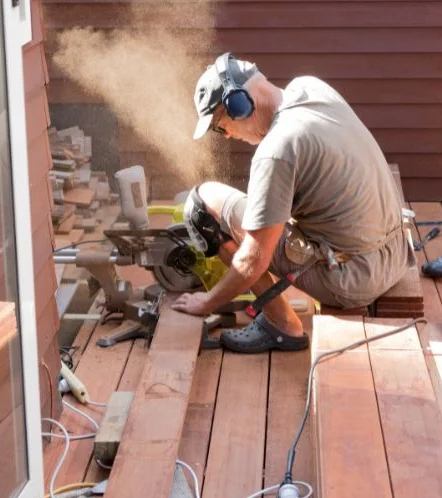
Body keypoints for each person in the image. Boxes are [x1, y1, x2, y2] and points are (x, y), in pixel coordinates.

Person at [171, 52, 412, 353]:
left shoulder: (277, 150)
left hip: (353, 279)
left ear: (239, 105)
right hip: (396, 254)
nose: (227, 136)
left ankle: (281, 325)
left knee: (201, 204)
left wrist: (207, 302)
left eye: (220, 127)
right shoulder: (311, 88)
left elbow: (252, 260)